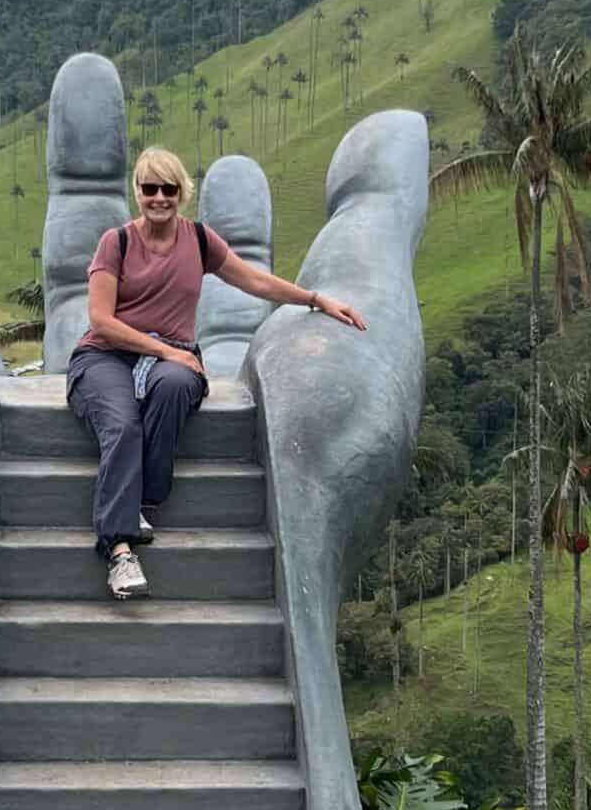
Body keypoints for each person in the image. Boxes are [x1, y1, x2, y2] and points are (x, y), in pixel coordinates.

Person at [66, 146, 367, 599]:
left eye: (169, 189)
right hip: (106, 356)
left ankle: (144, 497)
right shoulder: (118, 242)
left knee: (175, 388)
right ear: (138, 192)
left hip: (174, 361)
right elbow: (101, 321)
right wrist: (162, 349)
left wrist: (316, 299)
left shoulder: (199, 240)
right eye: (150, 189)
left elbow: (254, 280)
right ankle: (120, 548)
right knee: (122, 423)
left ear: (182, 192)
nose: (159, 198)